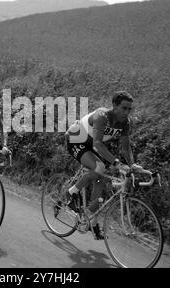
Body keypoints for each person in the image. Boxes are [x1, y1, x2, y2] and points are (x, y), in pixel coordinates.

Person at [65, 91, 142, 240]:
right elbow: (98, 143)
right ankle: (71, 192)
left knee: (101, 179)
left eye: (129, 109)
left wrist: (132, 164)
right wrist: (118, 163)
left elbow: (125, 148)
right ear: (114, 105)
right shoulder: (102, 116)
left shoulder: (125, 122)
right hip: (76, 138)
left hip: (91, 144)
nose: (126, 112)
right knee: (100, 168)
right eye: (124, 108)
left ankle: (92, 221)